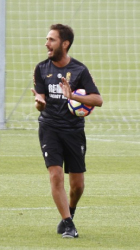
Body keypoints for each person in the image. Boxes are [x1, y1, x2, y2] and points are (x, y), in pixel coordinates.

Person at [31, 24, 103, 238]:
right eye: (47, 39)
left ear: (65, 44)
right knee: (55, 175)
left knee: (77, 186)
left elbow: (97, 100)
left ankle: (69, 212)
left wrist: (73, 97)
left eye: (51, 40)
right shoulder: (41, 68)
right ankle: (68, 223)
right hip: (49, 128)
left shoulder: (80, 70)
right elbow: (40, 100)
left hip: (73, 131)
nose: (46, 44)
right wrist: (39, 104)